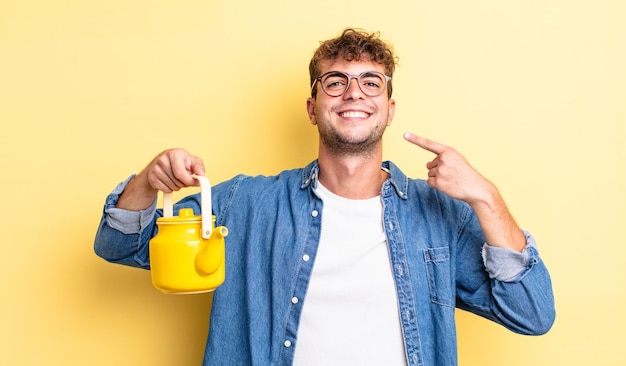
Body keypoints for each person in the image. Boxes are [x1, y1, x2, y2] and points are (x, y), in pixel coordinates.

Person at [94, 28, 555, 366]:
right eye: (335, 81)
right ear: (313, 107)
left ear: (389, 109)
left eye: (371, 81)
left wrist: (486, 198)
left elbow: (532, 314)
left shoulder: (439, 217)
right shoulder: (245, 205)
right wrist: (147, 181)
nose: (353, 92)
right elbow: (119, 244)